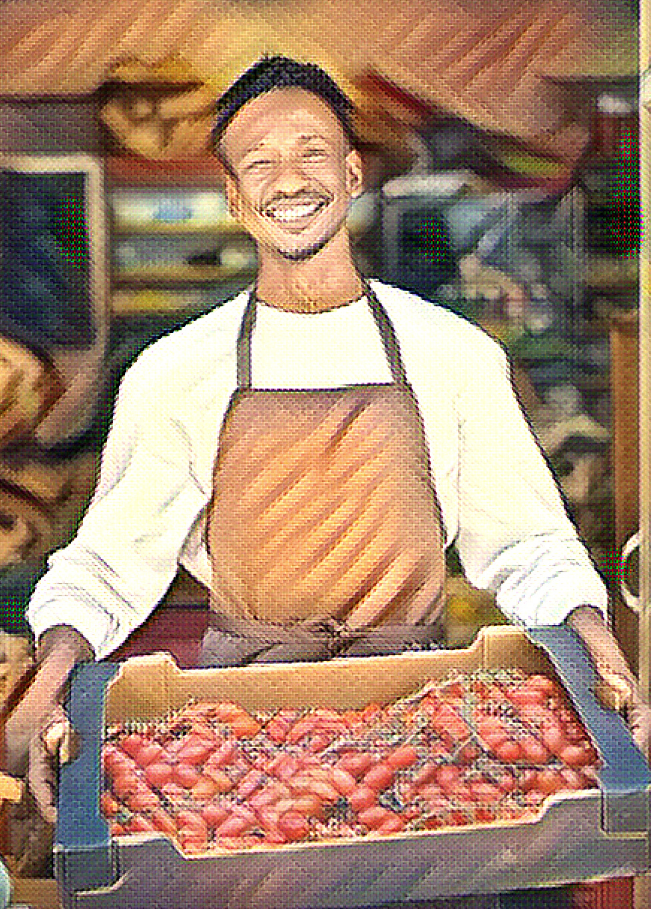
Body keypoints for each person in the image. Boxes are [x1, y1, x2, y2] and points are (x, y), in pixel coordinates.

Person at [2, 56, 649, 906]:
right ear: (235, 198)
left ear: (350, 173)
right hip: (239, 739)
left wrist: (596, 638)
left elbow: (527, 544)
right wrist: (45, 686)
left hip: (422, 729)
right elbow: (109, 565)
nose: (290, 178)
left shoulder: (453, 356)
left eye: (311, 150)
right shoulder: (174, 372)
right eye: (259, 161)